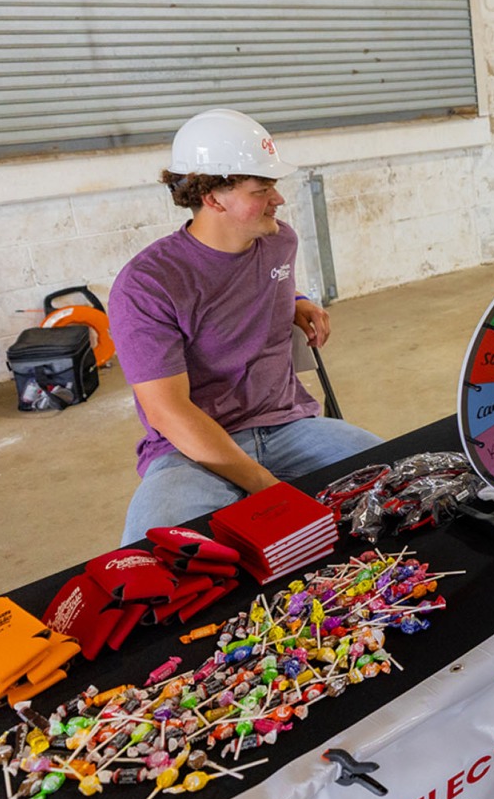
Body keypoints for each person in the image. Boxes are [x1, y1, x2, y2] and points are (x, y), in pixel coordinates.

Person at [109, 108, 381, 543]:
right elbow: (168, 411)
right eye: (262, 189)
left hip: (288, 425)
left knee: (404, 484)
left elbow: (245, 285)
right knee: (151, 556)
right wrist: (264, 485)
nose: (279, 199)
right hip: (191, 450)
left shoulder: (278, 242)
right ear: (214, 199)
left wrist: (295, 300)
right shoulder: (147, 284)